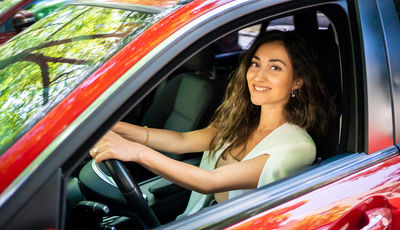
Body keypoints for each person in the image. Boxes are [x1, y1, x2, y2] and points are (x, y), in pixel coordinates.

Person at [90, 30, 335, 208]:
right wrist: (114, 128)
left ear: (297, 81)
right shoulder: (241, 120)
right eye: (255, 64)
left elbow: (210, 181)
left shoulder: (298, 146)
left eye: (275, 68)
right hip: (195, 221)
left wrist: (133, 151)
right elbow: (182, 141)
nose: (258, 76)